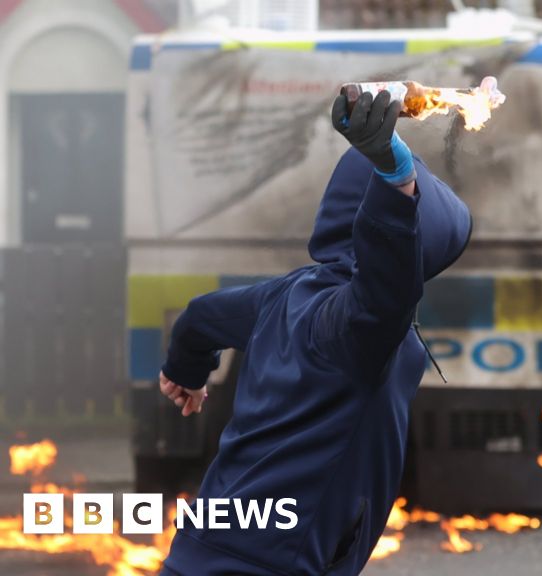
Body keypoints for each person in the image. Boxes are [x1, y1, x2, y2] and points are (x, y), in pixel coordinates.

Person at [157, 89, 472, 575]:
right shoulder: (358, 327)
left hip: (198, 555)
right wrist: (396, 177)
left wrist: (186, 370)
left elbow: (201, 318)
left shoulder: (285, 296)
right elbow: (384, 288)